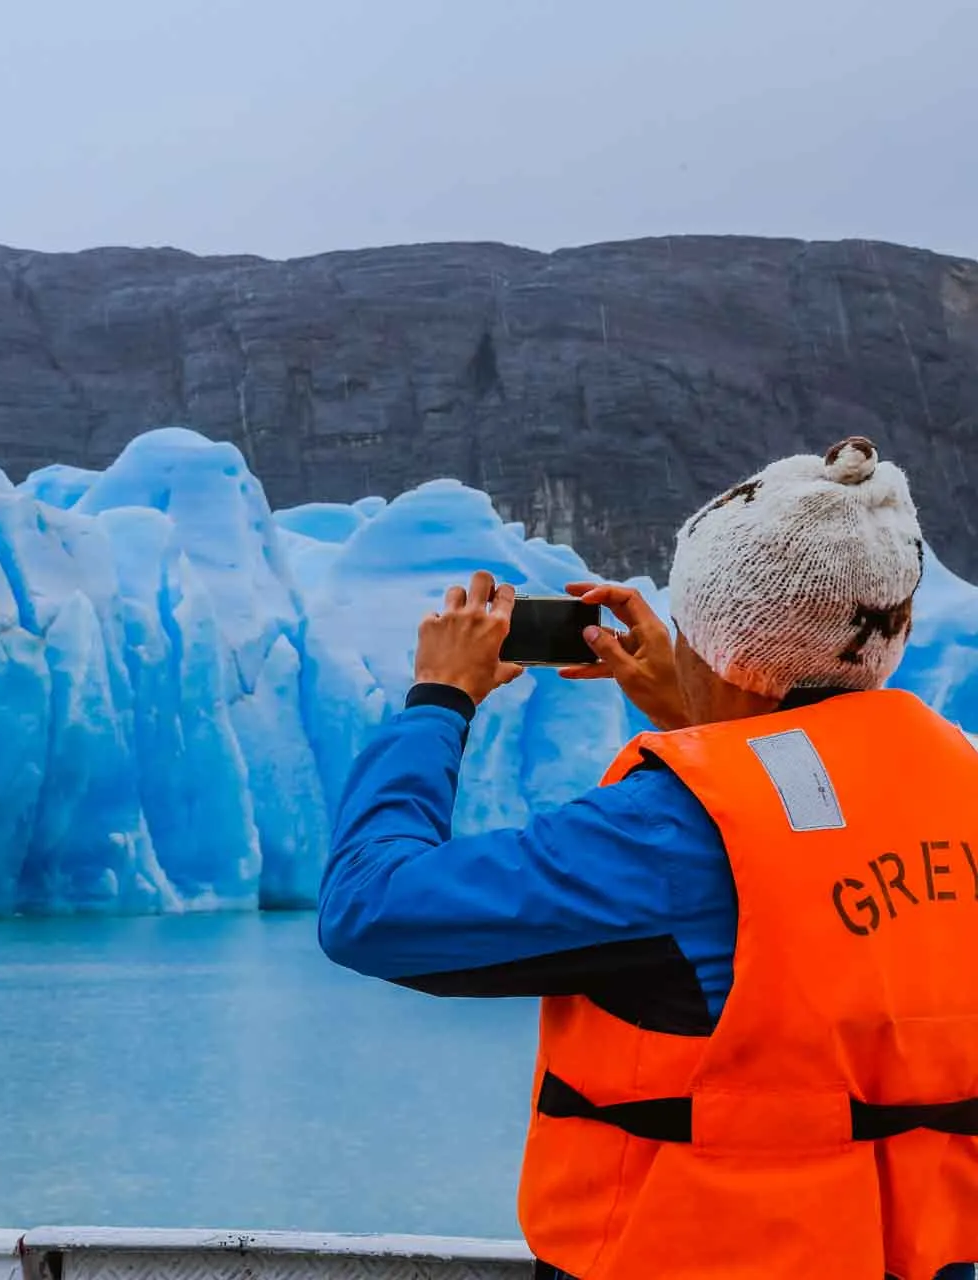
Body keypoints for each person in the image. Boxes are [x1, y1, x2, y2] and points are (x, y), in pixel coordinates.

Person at [317, 437, 978, 1280]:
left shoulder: (666, 837)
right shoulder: (958, 787)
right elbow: (806, 841)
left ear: (717, 646)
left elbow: (371, 908)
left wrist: (438, 700)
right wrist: (705, 714)